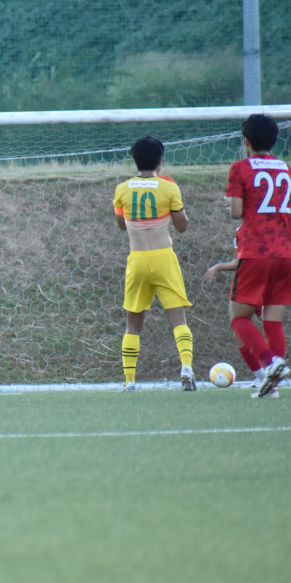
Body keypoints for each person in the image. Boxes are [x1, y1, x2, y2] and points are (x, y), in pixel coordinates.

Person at [112, 137, 195, 392]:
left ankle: (129, 380)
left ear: (135, 160)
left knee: (132, 325)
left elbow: (121, 224)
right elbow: (181, 226)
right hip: (164, 258)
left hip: (137, 259)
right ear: (160, 161)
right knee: (178, 320)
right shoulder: (169, 187)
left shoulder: (122, 189)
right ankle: (186, 366)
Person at [226, 114, 291, 398]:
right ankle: (272, 388)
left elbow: (236, 212)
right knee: (273, 321)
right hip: (285, 253)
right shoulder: (287, 169)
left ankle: (270, 362)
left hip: (256, 251)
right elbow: (290, 211)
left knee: (238, 318)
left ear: (246, 142)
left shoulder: (240, 168)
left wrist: (234, 203)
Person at [203, 225, 265, 387]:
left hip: (250, 286)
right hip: (258, 282)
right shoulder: (250, 227)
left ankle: (268, 375)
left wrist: (217, 267)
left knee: (244, 332)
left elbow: (241, 262)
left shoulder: (246, 230)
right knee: (246, 334)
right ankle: (264, 377)